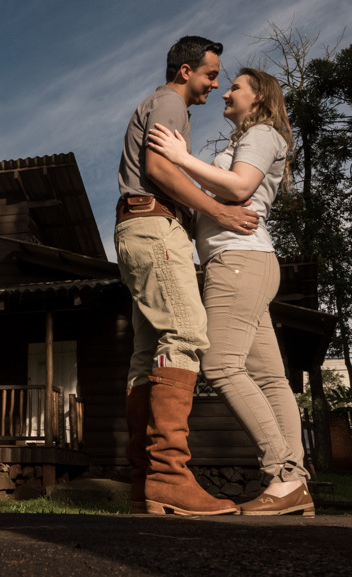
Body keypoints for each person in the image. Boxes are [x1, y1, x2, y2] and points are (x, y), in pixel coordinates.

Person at [147, 67, 315, 517]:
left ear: (259, 98)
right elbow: (227, 191)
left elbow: (240, 187)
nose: (226, 91)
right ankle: (293, 482)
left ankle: (281, 472)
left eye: (236, 86)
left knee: (220, 364)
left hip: (238, 262)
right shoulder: (250, 138)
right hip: (247, 262)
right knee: (271, 379)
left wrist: (180, 158)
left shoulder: (262, 133)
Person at [116, 36, 260, 516]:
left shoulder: (161, 106)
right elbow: (159, 167)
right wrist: (220, 209)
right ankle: (169, 479)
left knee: (145, 357)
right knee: (186, 334)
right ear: (185, 71)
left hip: (138, 227)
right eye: (210, 74)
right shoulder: (170, 103)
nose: (215, 85)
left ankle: (145, 485)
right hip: (154, 228)